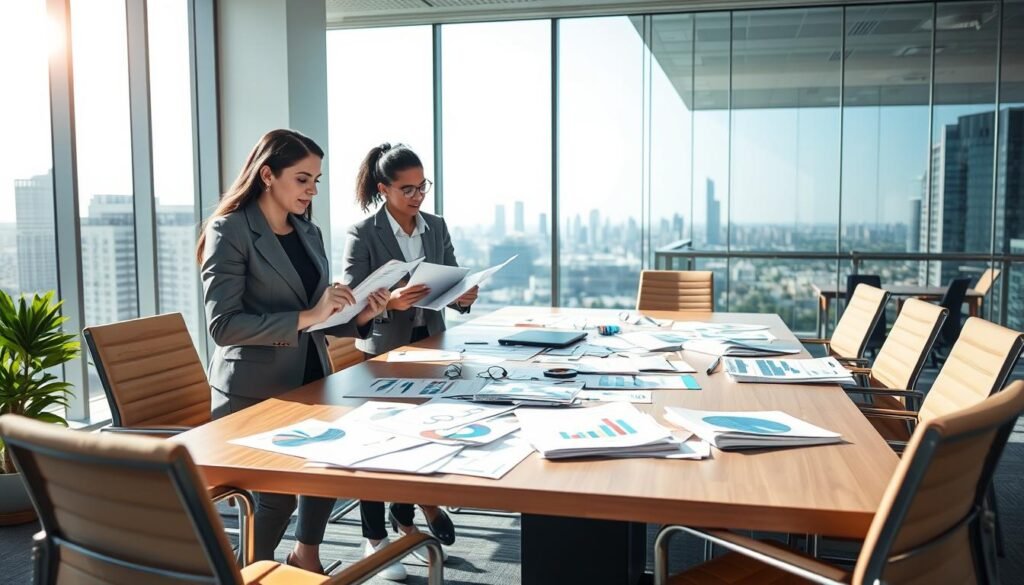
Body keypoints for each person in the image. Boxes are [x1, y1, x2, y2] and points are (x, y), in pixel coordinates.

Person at [197, 129, 390, 574]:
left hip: (309, 376)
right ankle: (245, 574)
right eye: (302, 179)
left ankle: (305, 557)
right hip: (252, 390)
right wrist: (307, 315)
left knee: (329, 465)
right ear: (268, 175)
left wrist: (360, 313)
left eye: (317, 180)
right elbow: (223, 327)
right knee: (278, 498)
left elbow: (318, 315)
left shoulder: (308, 231)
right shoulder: (230, 231)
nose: (312, 190)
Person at [343, 142, 476, 580]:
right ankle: (374, 539)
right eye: (408, 189)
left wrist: (463, 294)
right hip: (381, 350)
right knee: (375, 445)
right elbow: (350, 304)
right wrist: (389, 303)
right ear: (384, 189)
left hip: (428, 344)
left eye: (423, 187)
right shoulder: (364, 233)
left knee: (420, 438)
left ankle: (405, 523)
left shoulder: (435, 227)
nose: (418, 196)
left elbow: (451, 277)